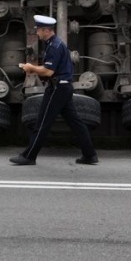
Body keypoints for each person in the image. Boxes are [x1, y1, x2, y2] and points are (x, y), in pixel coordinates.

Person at [10, 15, 99, 166]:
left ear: (46, 30)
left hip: (58, 88)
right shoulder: (55, 44)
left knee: (42, 123)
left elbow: (48, 71)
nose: (37, 33)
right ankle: (90, 155)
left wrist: (31, 68)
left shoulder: (54, 46)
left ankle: (29, 156)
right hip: (63, 87)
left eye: (38, 30)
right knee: (76, 123)